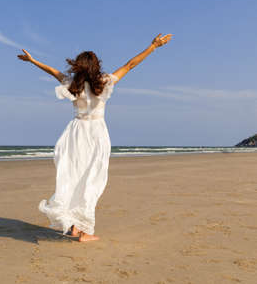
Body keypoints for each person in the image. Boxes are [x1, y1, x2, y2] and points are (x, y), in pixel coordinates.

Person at [17, 33, 173, 242]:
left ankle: (74, 226)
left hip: (75, 133)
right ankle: (84, 231)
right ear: (95, 65)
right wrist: (153, 46)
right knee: (92, 180)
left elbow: (52, 71)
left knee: (71, 179)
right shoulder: (104, 82)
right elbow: (130, 65)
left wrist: (32, 60)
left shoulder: (72, 84)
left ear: (78, 66)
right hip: (96, 133)